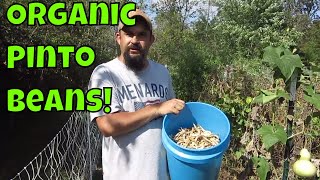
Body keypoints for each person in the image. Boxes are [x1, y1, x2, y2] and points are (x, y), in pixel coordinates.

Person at [88, 9, 185, 180]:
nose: (134, 40)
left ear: (151, 39)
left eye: (141, 35)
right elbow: (107, 125)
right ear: (119, 38)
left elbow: (171, 120)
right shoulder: (104, 74)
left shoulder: (162, 72)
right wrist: (156, 109)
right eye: (129, 34)